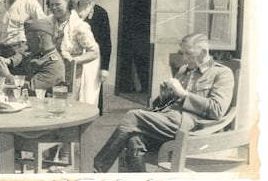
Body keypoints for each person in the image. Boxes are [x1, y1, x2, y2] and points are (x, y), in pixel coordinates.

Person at [94, 33, 235, 173]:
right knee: (134, 140)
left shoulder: (221, 73)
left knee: (132, 116)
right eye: (182, 53)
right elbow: (168, 103)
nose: (184, 59)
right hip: (169, 119)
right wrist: (164, 96)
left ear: (204, 52)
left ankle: (97, 170)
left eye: (189, 54)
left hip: (189, 125)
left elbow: (217, 110)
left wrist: (184, 94)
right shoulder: (184, 70)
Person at [46, 0, 100, 103]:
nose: (54, 8)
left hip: (70, 75)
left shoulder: (79, 26)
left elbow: (94, 52)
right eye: (51, 5)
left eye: (58, 4)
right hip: (50, 72)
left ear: (68, 3)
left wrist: (75, 60)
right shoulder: (47, 22)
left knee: (66, 106)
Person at [0, 0, 46, 77]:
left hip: (20, 53)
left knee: (18, 88)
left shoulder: (31, 4)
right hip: (1, 51)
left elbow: (42, 30)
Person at [72, 0, 112, 115]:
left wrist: (104, 68)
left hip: (92, 60)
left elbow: (106, 42)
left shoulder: (100, 13)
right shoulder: (70, 11)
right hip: (72, 57)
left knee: (89, 94)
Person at [0, 18, 65, 93]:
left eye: (30, 40)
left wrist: (7, 76)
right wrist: (9, 61)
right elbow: (23, 54)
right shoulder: (38, 53)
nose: (27, 44)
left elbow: (31, 89)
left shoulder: (53, 64)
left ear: (39, 40)